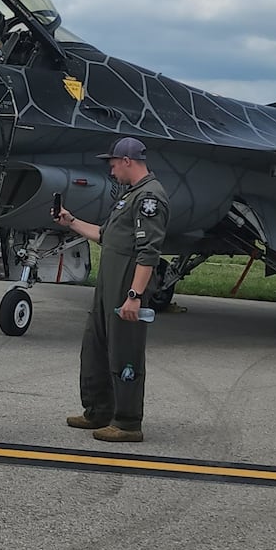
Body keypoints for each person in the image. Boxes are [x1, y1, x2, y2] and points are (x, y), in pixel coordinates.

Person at [52, 136, 169, 443]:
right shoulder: (128, 196)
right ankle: (99, 411)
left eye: (114, 163)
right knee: (95, 348)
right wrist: (72, 221)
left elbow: (149, 253)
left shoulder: (149, 198)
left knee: (125, 352)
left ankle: (128, 422)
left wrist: (134, 296)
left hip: (126, 288)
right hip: (108, 287)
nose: (112, 170)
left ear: (128, 161)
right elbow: (105, 235)